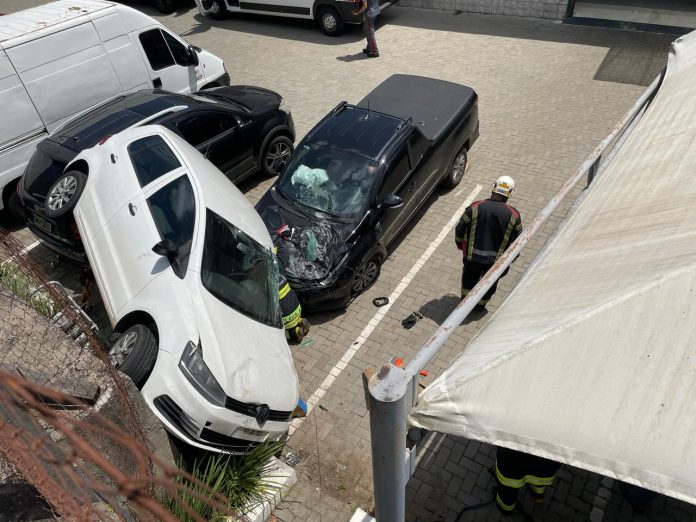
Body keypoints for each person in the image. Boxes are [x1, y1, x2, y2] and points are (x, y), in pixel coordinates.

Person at [454, 175, 522, 309]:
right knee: (488, 285)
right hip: (495, 263)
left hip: (472, 258)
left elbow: (460, 228)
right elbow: (518, 242)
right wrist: (510, 260)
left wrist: (459, 243)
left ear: (493, 187)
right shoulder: (514, 215)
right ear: (511, 193)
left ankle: (464, 306)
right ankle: (479, 306)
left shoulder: (475, 207)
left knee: (468, 281)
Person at [494, 447, 562, 515]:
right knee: (539, 483)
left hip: (512, 464)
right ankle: (538, 497)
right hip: (545, 467)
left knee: (507, 491)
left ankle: (506, 510)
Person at [273, 225, 311, 343]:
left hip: (287, 317)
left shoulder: (266, 285)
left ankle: (294, 333)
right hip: (296, 307)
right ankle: (300, 323)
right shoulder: (279, 269)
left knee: (286, 334)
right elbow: (280, 253)